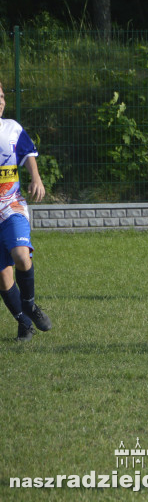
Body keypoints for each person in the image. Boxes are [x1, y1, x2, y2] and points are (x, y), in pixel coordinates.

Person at [0, 81, 53, 342]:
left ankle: (30, 304)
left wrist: (36, 177)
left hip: (12, 205)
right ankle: (24, 322)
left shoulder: (11, 128)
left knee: (21, 256)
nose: (0, 101)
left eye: (1, 96)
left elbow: (27, 153)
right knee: (3, 276)